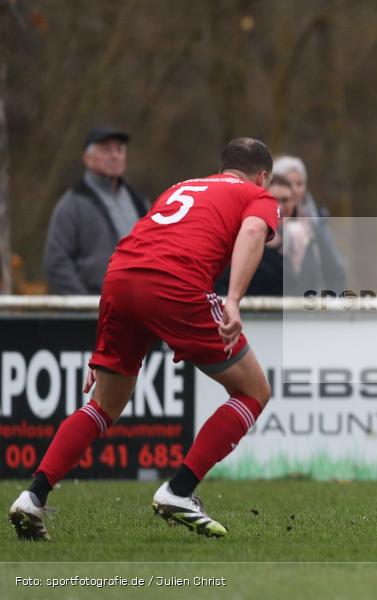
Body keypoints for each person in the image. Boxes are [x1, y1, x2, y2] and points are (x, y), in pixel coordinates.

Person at [9, 138, 280, 540]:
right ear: (262, 176)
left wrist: (101, 340)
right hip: (176, 284)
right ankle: (179, 491)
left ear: (221, 167)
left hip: (120, 278)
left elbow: (144, 247)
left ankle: (32, 497)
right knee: (254, 392)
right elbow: (255, 229)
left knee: (103, 405)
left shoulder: (181, 187)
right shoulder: (257, 195)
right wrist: (234, 300)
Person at [44, 126, 149, 294]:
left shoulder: (140, 202)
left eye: (119, 149)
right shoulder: (71, 205)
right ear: (87, 157)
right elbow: (57, 263)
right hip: (92, 310)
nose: (115, 156)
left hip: (138, 307)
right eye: (106, 150)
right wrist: (85, 306)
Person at [272, 155, 346, 296]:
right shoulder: (258, 227)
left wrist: (332, 309)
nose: (294, 190)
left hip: (308, 313)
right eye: (288, 183)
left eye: (299, 184)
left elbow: (336, 274)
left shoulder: (316, 225)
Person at [214, 174, 293, 296]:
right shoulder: (242, 236)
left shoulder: (303, 239)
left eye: (285, 200)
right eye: (274, 200)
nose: (281, 207)